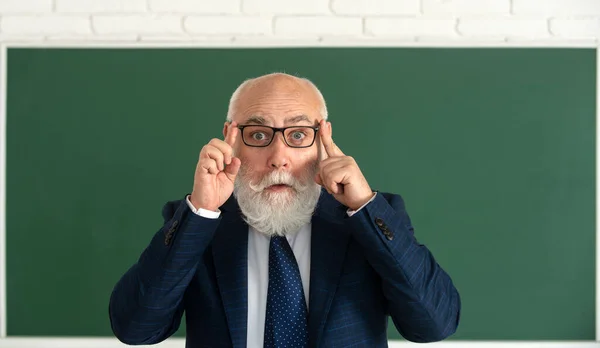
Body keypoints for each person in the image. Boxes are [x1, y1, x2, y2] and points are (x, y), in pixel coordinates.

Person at [108, 72, 461, 347]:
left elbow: (435, 324)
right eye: (259, 135)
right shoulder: (198, 222)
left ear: (323, 138)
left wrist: (364, 205)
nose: (278, 158)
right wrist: (201, 211)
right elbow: (136, 328)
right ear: (231, 137)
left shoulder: (367, 218)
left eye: (297, 135)